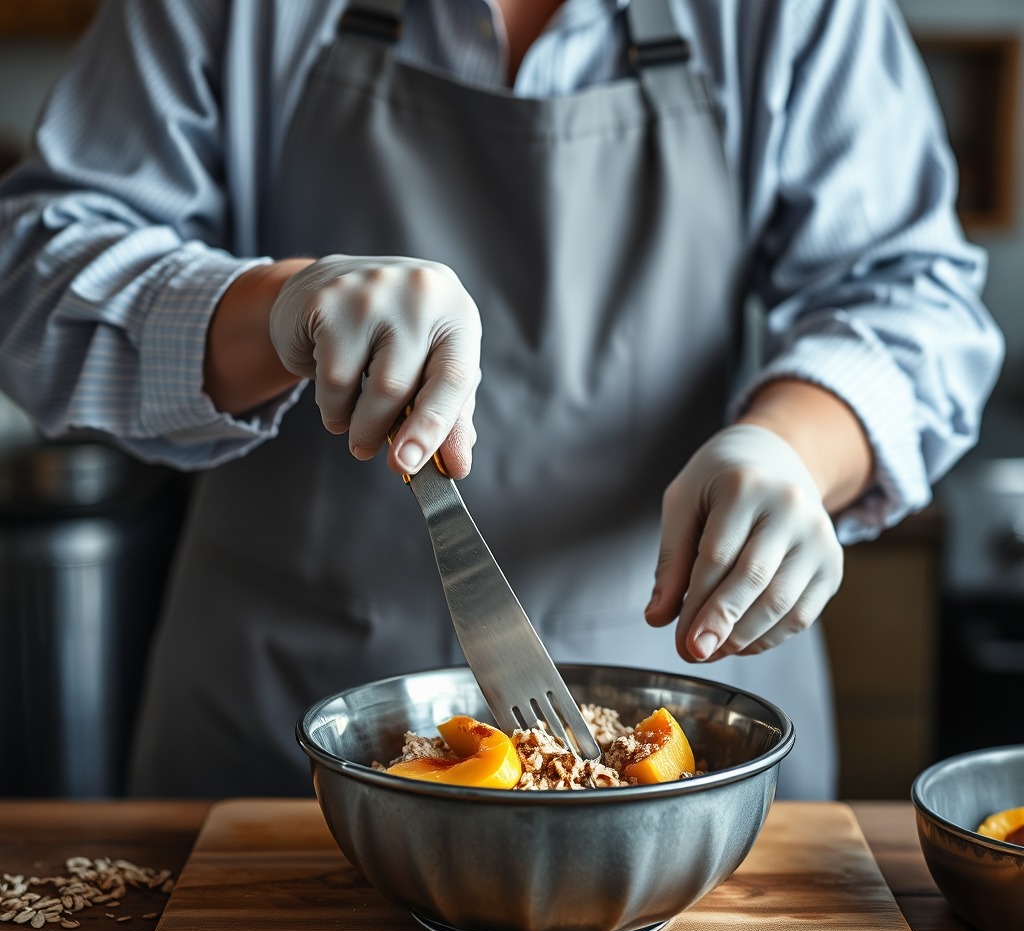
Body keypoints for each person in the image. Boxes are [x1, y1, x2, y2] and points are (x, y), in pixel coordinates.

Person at [0, 0, 1003, 800]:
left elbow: (908, 298)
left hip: (687, 744)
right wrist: (275, 308)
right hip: (278, 750)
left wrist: (792, 446)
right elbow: (38, 281)